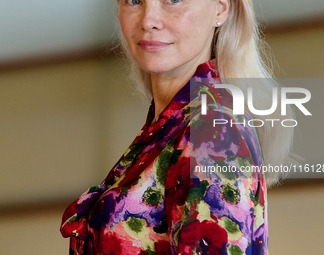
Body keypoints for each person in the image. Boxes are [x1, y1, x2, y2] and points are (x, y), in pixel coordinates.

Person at [60, 0, 294, 254]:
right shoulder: (170, 126)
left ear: (220, 8)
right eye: (134, 0)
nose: (148, 20)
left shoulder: (213, 129)